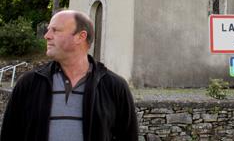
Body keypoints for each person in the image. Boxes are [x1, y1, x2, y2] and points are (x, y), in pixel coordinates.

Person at [1, 10, 138, 141]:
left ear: (80, 36)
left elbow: (128, 137)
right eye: (49, 29)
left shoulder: (114, 86)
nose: (47, 35)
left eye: (55, 30)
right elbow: (10, 134)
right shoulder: (29, 83)